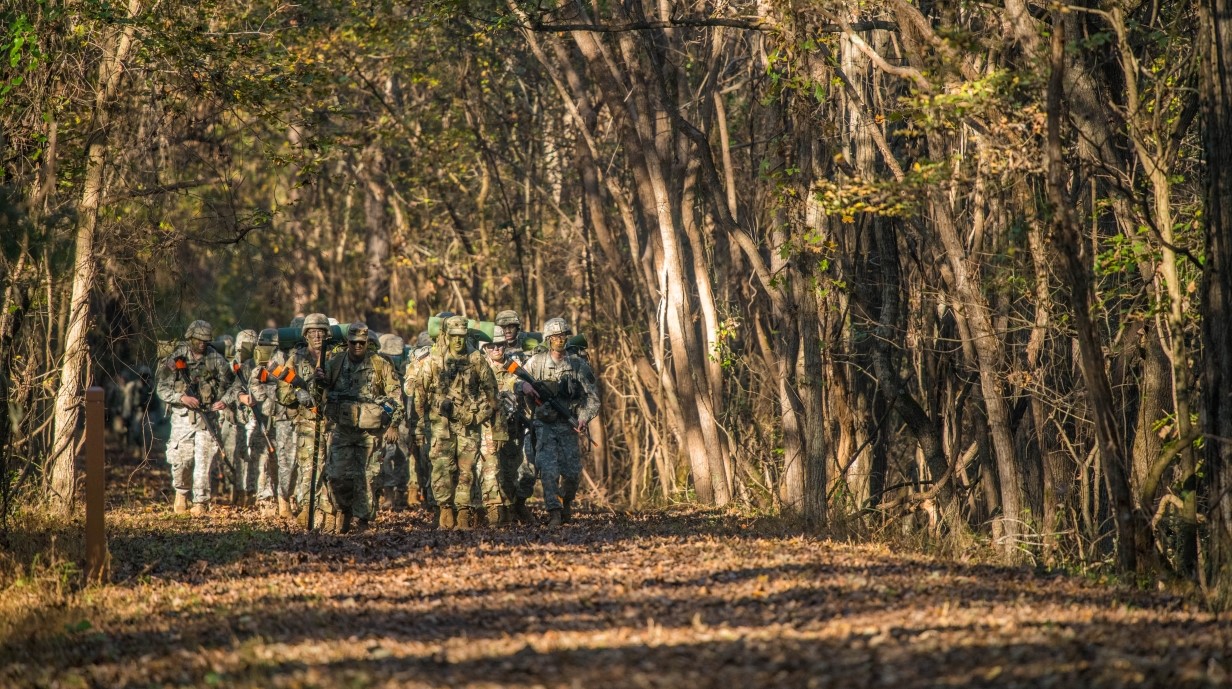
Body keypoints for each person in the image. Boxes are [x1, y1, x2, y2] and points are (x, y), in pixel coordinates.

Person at [409, 315, 497, 529]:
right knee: (441, 469)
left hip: (469, 425)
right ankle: (445, 510)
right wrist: (419, 426)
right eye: (454, 336)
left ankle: (464, 513)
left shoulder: (476, 359)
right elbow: (419, 393)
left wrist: (479, 415)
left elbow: (492, 393)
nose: (458, 341)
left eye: (462, 336)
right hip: (440, 426)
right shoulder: (434, 360)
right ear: (446, 336)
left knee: (466, 471)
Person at [320, 322, 403, 533]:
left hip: (370, 432)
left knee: (367, 478)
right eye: (353, 342)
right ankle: (342, 510)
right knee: (336, 476)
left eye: (362, 342)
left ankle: (363, 522)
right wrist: (317, 380)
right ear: (348, 342)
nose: (358, 346)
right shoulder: (335, 363)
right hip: (342, 429)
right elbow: (319, 393)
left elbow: (395, 396)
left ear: (367, 343)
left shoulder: (380, 364)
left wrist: (393, 424)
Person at [155, 320, 239, 516]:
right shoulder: (176, 358)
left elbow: (235, 385)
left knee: (203, 460)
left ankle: (200, 502)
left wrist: (224, 401)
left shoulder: (215, 359)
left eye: (205, 340)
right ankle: (182, 493)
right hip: (182, 417)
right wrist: (181, 398)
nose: (202, 343)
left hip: (206, 417)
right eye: (198, 339)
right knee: (182, 459)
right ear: (190, 338)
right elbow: (161, 387)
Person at [522, 317, 600, 526]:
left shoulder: (577, 365)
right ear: (548, 339)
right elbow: (516, 380)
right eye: (555, 336)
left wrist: (583, 418)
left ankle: (565, 503)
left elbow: (593, 397)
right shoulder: (535, 363)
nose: (559, 340)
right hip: (544, 425)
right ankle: (554, 512)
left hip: (569, 425)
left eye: (563, 336)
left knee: (572, 474)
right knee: (548, 471)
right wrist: (522, 387)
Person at [277, 312, 331, 529]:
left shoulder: (336, 358)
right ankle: (309, 510)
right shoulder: (296, 359)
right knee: (309, 468)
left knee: (333, 471)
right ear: (306, 335)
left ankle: (328, 512)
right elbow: (282, 393)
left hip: (333, 423)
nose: (317, 336)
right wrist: (296, 395)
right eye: (312, 332)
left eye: (321, 332)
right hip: (307, 423)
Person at [477, 326, 526, 526]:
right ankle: (493, 509)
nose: (497, 349)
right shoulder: (479, 367)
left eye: (500, 345)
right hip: (488, 425)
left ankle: (508, 508)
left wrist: (522, 387)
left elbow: (520, 384)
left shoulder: (514, 365)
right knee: (490, 467)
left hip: (512, 424)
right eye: (492, 346)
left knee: (510, 469)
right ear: (485, 348)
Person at [248, 328, 295, 516]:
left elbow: (291, 385)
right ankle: (268, 500)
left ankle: (285, 500)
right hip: (266, 419)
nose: (264, 349)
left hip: (285, 417)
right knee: (266, 461)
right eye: (262, 345)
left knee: (287, 460)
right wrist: (265, 399)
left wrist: (277, 397)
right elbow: (254, 383)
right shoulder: (259, 367)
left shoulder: (286, 361)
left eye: (268, 346)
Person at [375, 332, 411, 512]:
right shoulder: (378, 370)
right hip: (383, 422)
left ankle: (401, 493)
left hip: (404, 422)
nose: (394, 359)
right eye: (390, 356)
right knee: (386, 456)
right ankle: (388, 493)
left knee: (403, 457)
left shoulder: (408, 371)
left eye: (397, 355)